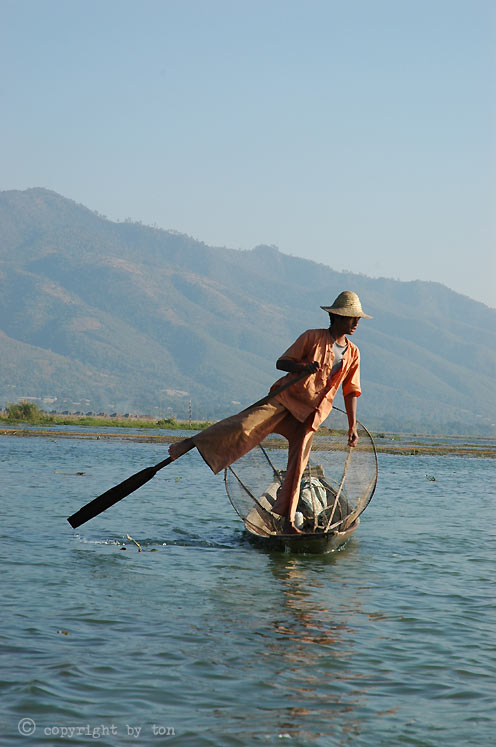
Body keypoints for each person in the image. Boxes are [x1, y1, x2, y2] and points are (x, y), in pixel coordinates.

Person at [169, 290, 372, 532]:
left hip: (311, 416)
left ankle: (287, 522)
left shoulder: (353, 353)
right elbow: (282, 362)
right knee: (244, 426)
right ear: (337, 317)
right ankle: (192, 442)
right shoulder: (312, 338)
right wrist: (303, 367)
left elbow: (351, 391)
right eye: (352, 318)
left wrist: (352, 426)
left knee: (297, 469)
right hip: (285, 400)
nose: (356, 323)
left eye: (357, 318)